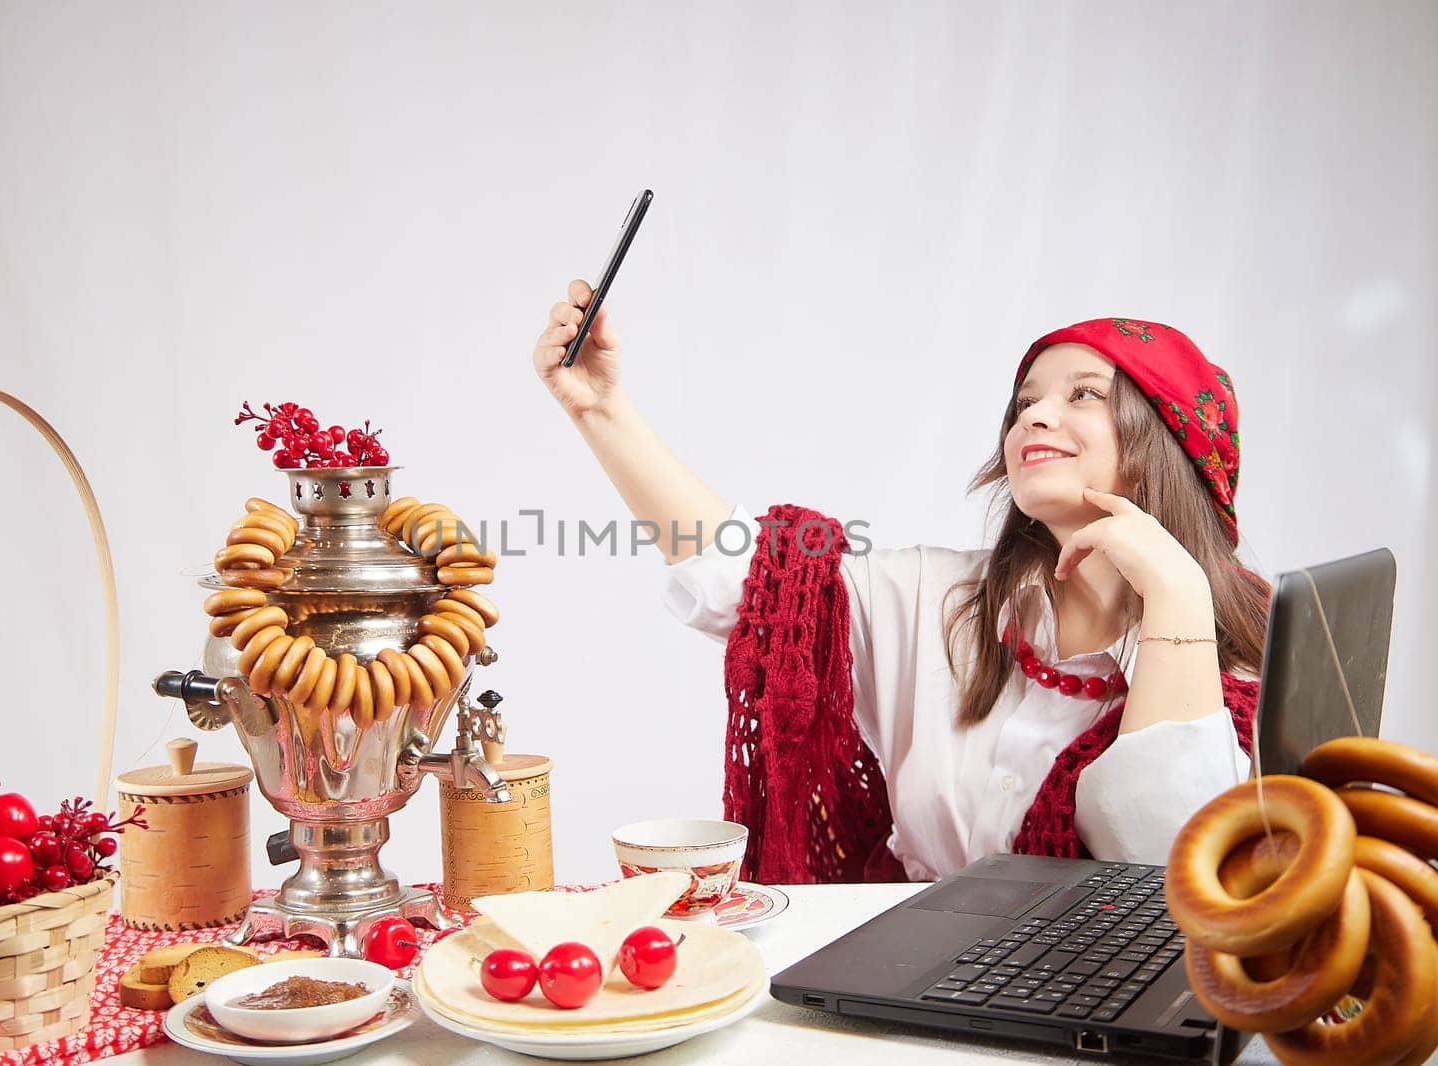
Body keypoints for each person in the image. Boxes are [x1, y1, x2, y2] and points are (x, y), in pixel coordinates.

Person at [532, 281, 1269, 884]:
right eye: (1026, 402)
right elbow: (749, 581)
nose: (1036, 413)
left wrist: (1176, 596)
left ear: (1168, 448)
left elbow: (1169, 870)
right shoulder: (938, 601)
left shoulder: (1243, 662)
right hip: (916, 990)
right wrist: (602, 409)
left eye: (1084, 395)